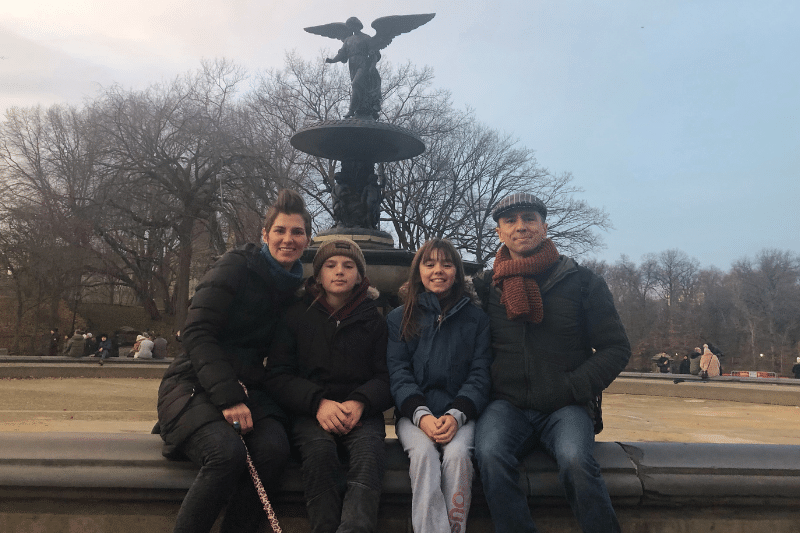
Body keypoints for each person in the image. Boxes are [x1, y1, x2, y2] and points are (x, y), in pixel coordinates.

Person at [471, 193, 631, 533]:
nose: (520, 227)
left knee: (576, 462)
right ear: (499, 232)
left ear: (544, 226)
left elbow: (615, 348)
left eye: (529, 218)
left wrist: (572, 387)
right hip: (507, 404)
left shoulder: (583, 281)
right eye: (510, 221)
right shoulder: (486, 286)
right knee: (488, 455)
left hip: (566, 405)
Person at [155, 189, 312, 533]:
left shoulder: (295, 289)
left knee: (274, 452)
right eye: (281, 231)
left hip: (251, 390)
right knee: (226, 456)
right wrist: (229, 397)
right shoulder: (235, 266)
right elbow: (196, 332)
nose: (288, 239)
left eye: (297, 232)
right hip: (193, 384)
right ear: (265, 234)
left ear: (307, 239)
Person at [266, 238, 392, 533]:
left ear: (360, 276)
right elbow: (278, 375)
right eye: (330, 265)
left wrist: (360, 402)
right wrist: (317, 403)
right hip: (310, 412)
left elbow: (386, 377)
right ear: (318, 275)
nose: (339, 271)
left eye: (349, 266)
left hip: (360, 413)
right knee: (320, 452)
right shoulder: (296, 315)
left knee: (369, 456)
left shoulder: (375, 320)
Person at [386, 238, 492, 533]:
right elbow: (399, 372)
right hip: (414, 415)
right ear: (418, 270)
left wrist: (457, 414)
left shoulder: (477, 319)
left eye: (447, 264)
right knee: (423, 456)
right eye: (429, 263)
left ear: (457, 272)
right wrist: (422, 415)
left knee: (458, 457)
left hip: (461, 413)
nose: (438, 270)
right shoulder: (399, 317)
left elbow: (480, 373)